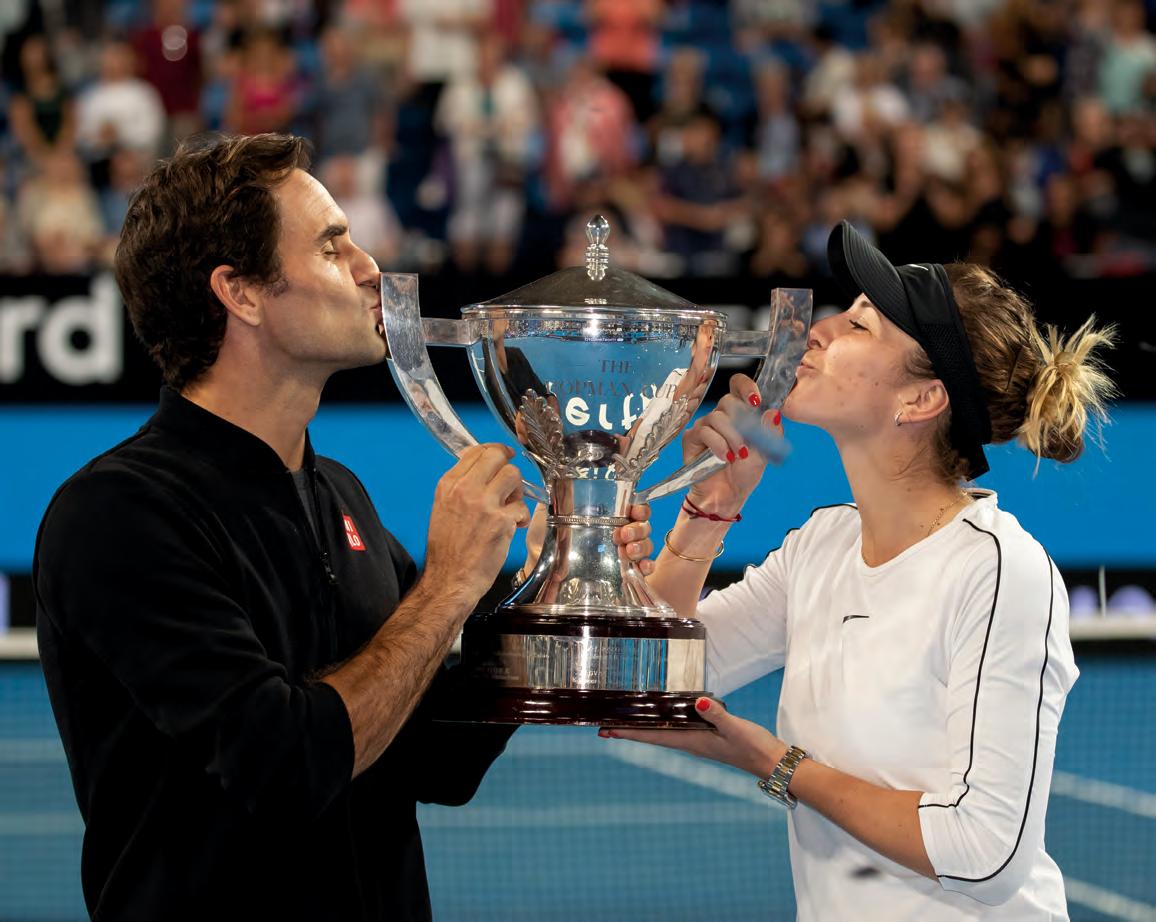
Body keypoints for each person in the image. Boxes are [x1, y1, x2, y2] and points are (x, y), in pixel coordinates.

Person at [32, 132, 653, 921]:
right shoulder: (118, 514)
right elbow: (285, 764)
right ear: (240, 293)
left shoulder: (340, 495)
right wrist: (449, 586)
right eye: (332, 247)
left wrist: (541, 585)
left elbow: (437, 759)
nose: (370, 268)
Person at [605, 220, 1116, 920]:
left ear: (921, 399)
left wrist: (779, 766)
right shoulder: (821, 547)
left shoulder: (998, 571)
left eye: (859, 325)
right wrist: (709, 510)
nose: (818, 331)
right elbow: (635, 685)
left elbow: (985, 855)